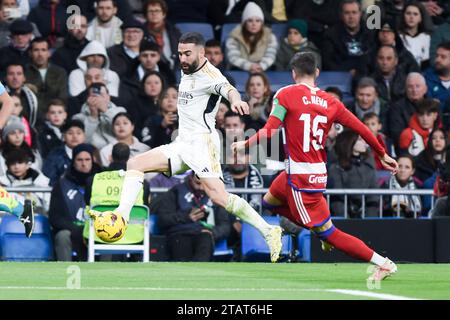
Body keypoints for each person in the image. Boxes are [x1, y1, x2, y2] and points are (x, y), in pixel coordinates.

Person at [90, 32, 283, 263]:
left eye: (187, 53)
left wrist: (236, 100)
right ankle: (120, 216)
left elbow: (228, 89)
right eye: (180, 53)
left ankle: (269, 230)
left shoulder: (211, 75)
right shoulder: (187, 67)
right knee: (135, 163)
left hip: (203, 143)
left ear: (201, 53)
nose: (182, 57)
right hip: (182, 142)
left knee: (220, 198)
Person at [232, 52, 399, 281]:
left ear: (293, 73)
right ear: (317, 73)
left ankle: (383, 263)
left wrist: (245, 144)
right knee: (269, 200)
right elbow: (362, 128)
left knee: (329, 233)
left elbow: (270, 129)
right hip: (311, 172)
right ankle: (319, 232)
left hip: (301, 177)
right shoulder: (332, 102)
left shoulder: (285, 94)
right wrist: (383, 154)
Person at [155, 171, 231, 262]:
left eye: (206, 183)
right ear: (191, 177)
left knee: (205, 238)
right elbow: (163, 219)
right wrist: (186, 217)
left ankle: (200, 273)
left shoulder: (217, 196)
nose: (202, 187)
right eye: (198, 183)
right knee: (180, 244)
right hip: (179, 233)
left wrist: (213, 232)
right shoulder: (176, 191)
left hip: (205, 234)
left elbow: (225, 225)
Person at [48, 143, 99, 261]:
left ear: (93, 161)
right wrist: (75, 229)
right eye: (79, 159)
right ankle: (64, 273)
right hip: (70, 229)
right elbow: (55, 217)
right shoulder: (61, 185)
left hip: (98, 228)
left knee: (109, 236)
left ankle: (107, 275)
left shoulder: (101, 182)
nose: (84, 163)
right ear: (73, 161)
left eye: (87, 159)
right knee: (62, 236)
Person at [328, 130, 380, 217]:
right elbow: (337, 198)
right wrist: (345, 221)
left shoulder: (368, 165)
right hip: (344, 218)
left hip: (366, 218)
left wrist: (371, 219)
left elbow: (373, 195)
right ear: (350, 142)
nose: (364, 142)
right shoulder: (336, 168)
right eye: (360, 139)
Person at [225, 1, 278, 72]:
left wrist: (261, 66)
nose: (254, 24)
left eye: (258, 21)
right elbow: (233, 57)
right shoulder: (234, 35)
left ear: (262, 23)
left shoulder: (270, 36)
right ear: (244, 22)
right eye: (250, 20)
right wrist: (249, 66)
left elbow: (271, 55)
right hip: (240, 70)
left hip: (264, 70)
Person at [73, 82, 126, 150]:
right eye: (94, 96)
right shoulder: (78, 118)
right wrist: (93, 117)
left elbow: (123, 133)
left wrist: (105, 111)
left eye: (101, 95)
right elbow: (85, 141)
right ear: (88, 99)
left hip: (118, 150)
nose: (98, 99)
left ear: (108, 97)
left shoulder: (120, 111)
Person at [24, 37, 68, 116]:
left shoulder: (60, 72)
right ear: (30, 53)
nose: (40, 54)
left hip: (54, 115)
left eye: (43, 50)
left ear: (49, 53)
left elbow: (63, 97)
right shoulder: (24, 72)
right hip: (31, 115)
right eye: (36, 50)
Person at [0, 148, 50, 214]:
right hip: (10, 219)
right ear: (8, 166)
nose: (16, 167)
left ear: (27, 165)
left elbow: (48, 204)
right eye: (12, 164)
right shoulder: (2, 183)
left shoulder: (41, 181)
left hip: (38, 218)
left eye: (20, 162)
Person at [42, 119, 86, 186]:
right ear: (64, 137)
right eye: (70, 133)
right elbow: (48, 179)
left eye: (78, 133)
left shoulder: (91, 153)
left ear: (84, 136)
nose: (75, 136)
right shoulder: (55, 155)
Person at [397, 1, 433, 68]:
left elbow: (425, 63)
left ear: (420, 18)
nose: (411, 17)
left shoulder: (426, 37)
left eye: (415, 14)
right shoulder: (397, 37)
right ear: (403, 16)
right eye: (408, 13)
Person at [3, 63, 39, 128]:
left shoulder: (33, 96)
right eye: (11, 74)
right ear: (5, 78)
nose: (15, 77)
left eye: (19, 74)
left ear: (24, 78)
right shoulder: (1, 97)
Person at [424, 41, 450, 128]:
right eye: (437, 56)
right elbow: (430, 106)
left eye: (443, 57)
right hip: (433, 128)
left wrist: (440, 103)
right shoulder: (426, 77)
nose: (437, 59)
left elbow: (437, 104)